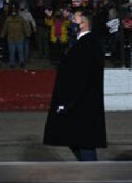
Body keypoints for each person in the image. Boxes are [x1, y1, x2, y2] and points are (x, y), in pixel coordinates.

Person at [43, 10, 106, 161]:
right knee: (74, 139)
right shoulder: (83, 42)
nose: (71, 19)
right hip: (80, 101)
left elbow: (81, 76)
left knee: (83, 141)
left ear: (84, 22)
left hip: (82, 102)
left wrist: (67, 102)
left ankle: (93, 175)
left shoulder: (88, 43)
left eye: (75, 17)